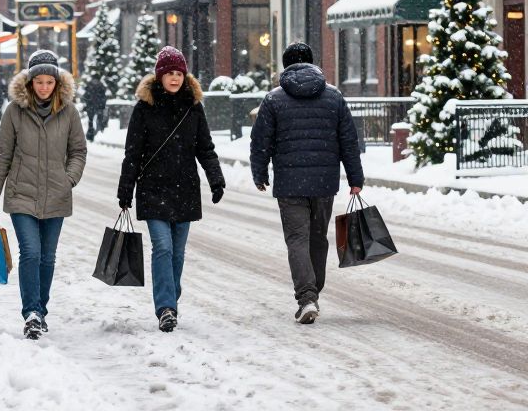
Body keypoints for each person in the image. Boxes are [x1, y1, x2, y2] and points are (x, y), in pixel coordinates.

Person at [250, 42, 364, 325]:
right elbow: (348, 140)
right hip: (324, 182)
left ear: (286, 66)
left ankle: (307, 296)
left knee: (296, 239)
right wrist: (355, 178)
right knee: (317, 238)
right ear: (312, 64)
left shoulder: (274, 99)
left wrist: (259, 172)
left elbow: (260, 141)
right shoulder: (334, 97)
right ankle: (314, 291)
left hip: (289, 182)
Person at [117, 46, 225, 333]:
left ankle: (169, 299)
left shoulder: (194, 107)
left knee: (177, 252)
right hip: (153, 187)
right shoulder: (145, 108)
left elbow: (205, 148)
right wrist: (125, 188)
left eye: (179, 73)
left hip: (185, 187)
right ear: (160, 76)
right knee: (162, 248)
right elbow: (133, 152)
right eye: (169, 74)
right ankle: (165, 307)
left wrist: (216, 178)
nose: (174, 78)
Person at [0, 50, 87, 340]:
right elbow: (2, 153)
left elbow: (78, 151)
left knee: (47, 257)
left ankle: (41, 310)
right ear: (30, 82)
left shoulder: (69, 112)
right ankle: (30, 312)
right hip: (22, 193)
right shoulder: (14, 111)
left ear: (57, 83)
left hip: (56, 194)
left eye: (49, 82)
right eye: (39, 81)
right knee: (30, 251)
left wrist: (69, 179)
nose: (44, 87)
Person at [82, 75, 108, 142]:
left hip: (91, 106)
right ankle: (95, 133)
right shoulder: (101, 86)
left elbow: (85, 96)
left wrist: (87, 103)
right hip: (98, 106)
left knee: (91, 121)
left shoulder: (89, 85)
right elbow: (104, 97)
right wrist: (102, 105)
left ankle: (91, 134)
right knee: (98, 120)